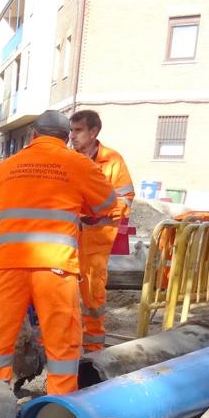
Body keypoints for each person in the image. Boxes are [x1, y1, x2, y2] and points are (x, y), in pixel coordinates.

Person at [0, 110, 116, 395]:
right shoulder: (79, 164)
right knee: (62, 346)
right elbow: (107, 206)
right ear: (66, 137)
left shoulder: (8, 166)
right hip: (56, 269)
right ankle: (58, 414)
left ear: (34, 135)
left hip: (10, 266)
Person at [68, 109, 134, 352]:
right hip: (68, 236)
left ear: (93, 132)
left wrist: (97, 212)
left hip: (97, 237)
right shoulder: (66, 158)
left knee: (92, 293)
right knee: (61, 290)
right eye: (71, 130)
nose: (72, 136)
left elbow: (125, 199)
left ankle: (94, 346)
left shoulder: (112, 161)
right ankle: (61, 340)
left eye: (78, 131)